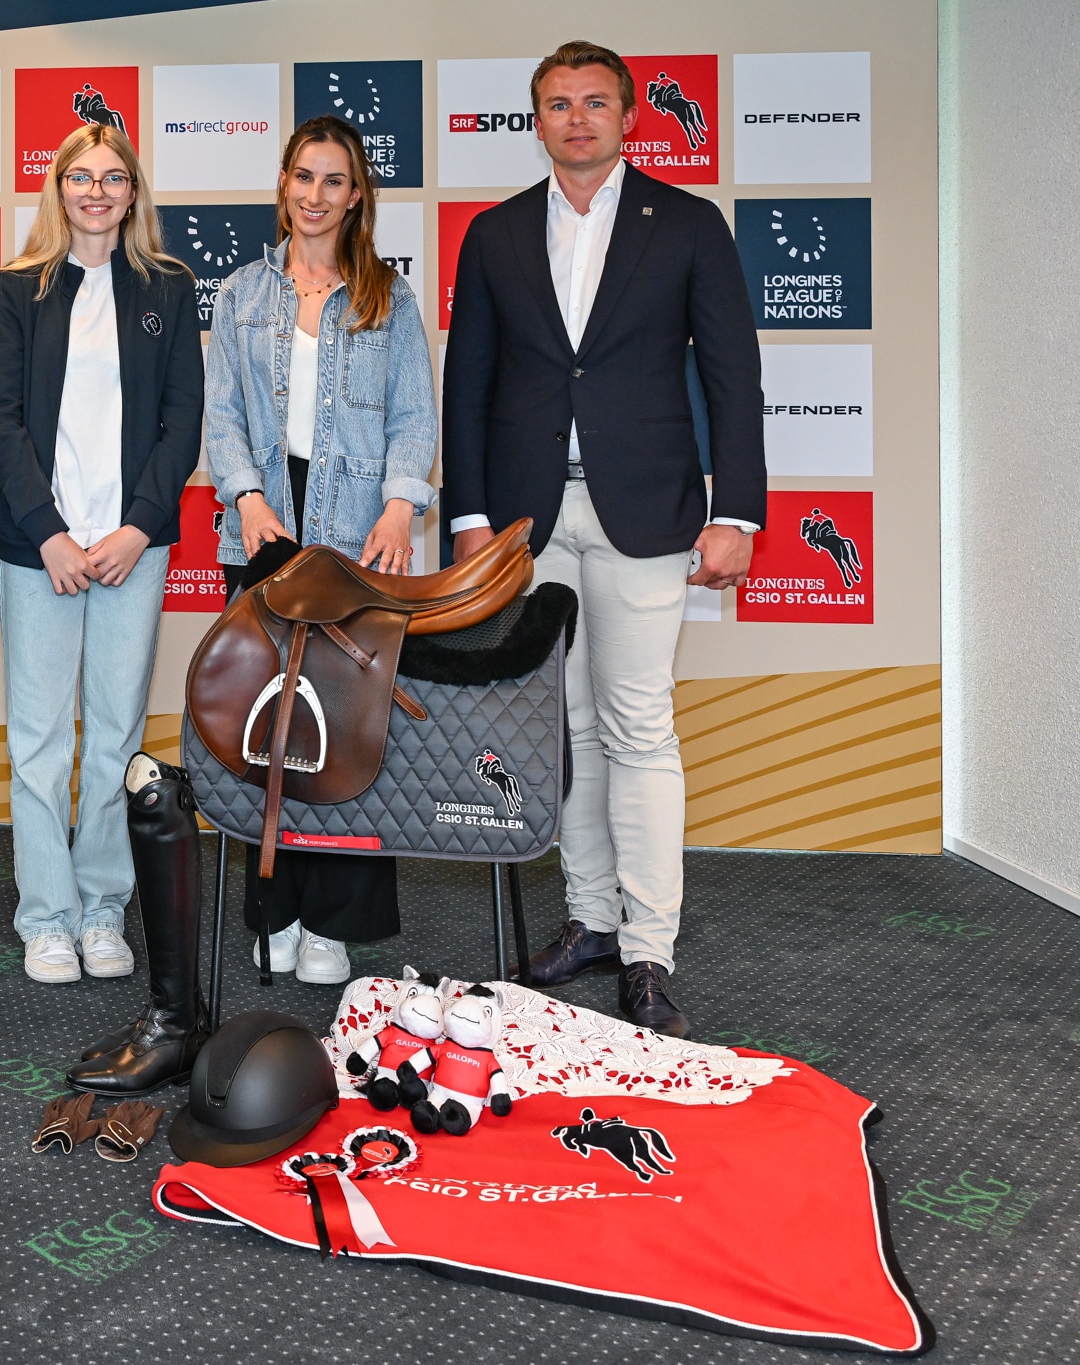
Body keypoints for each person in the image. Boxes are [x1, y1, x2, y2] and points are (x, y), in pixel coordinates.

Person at [442, 42, 767, 1037]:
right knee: (564, 733)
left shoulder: (688, 226)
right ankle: (586, 919)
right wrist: (465, 519)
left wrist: (737, 510)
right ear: (532, 121)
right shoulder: (493, 233)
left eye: (592, 103)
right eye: (555, 104)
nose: (574, 119)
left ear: (628, 117)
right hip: (528, 521)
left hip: (644, 512)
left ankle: (647, 951)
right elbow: (469, 384)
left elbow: (728, 374)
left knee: (636, 727)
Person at [204, 115, 438, 987]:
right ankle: (276, 910)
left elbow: (416, 415)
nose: (315, 194)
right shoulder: (240, 295)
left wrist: (400, 505)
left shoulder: (391, 297)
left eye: (334, 180)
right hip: (266, 528)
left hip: (358, 535)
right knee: (265, 729)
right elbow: (221, 412)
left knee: (345, 730)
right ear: (284, 182)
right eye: (304, 176)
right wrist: (248, 495)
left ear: (356, 194)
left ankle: (333, 923)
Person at [0, 124, 202, 986]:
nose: (97, 191)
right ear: (58, 187)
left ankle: (104, 909)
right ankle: (46, 916)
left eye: (114, 177)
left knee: (113, 738)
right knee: (39, 742)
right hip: (40, 549)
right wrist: (49, 532)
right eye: (81, 175)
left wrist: (137, 527)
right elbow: (2, 420)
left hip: (129, 550)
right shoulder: (17, 289)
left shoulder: (169, 288)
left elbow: (183, 419)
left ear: (133, 191)